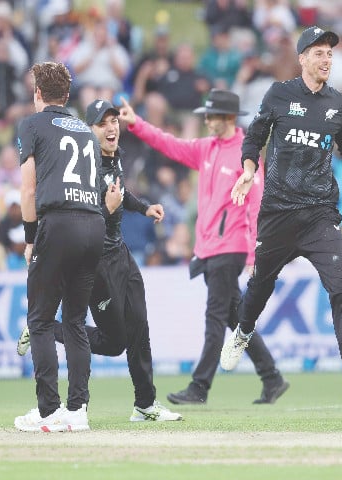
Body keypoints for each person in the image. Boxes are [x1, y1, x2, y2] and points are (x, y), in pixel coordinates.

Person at [219, 26, 342, 418]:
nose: (326, 59)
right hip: (278, 214)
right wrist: (248, 169)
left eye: (330, 53)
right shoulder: (279, 94)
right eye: (318, 53)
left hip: (319, 215)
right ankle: (243, 331)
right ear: (302, 59)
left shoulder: (339, 104)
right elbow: (255, 137)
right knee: (260, 286)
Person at [118, 89, 289, 405]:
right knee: (234, 318)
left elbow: (256, 204)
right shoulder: (206, 148)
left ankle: (199, 387)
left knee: (214, 318)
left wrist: (254, 252)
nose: (206, 121)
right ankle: (272, 377)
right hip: (210, 248)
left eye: (210, 116)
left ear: (226, 118)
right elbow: (170, 144)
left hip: (231, 247)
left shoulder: (245, 154)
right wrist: (137, 124)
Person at [17, 99, 183, 422]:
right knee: (114, 341)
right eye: (103, 123)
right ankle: (47, 328)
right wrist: (106, 209)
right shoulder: (84, 165)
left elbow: (120, 192)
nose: (111, 128)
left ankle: (145, 404)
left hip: (120, 254)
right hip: (96, 261)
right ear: (88, 131)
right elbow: (88, 215)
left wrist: (144, 207)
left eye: (114, 121)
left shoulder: (113, 157)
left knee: (140, 327)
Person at [14, 62, 106, 432]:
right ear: (66, 96)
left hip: (58, 224)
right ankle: (78, 411)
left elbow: (28, 189)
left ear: (38, 93)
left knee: (38, 320)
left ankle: (49, 411)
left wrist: (30, 237)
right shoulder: (85, 130)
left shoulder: (32, 124)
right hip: (93, 224)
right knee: (75, 322)